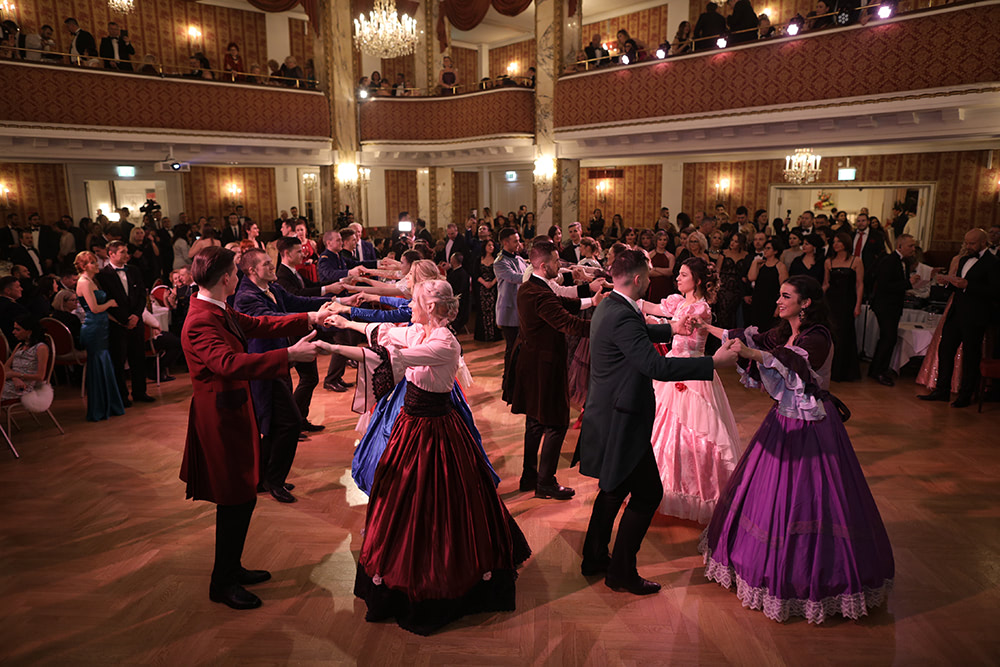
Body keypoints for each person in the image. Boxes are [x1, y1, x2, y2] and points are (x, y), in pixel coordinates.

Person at [322, 281, 531, 635]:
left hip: (437, 430)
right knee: (400, 498)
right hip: (410, 424)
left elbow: (390, 354)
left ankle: (439, 580)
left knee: (441, 503)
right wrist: (346, 323)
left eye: (415, 302)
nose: (410, 307)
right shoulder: (421, 331)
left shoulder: (443, 344)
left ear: (431, 308)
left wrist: (329, 347)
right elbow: (386, 330)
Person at [697, 275, 894, 624]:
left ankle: (810, 577)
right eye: (779, 295)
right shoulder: (782, 330)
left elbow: (788, 363)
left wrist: (750, 352)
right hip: (783, 422)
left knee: (812, 497)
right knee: (767, 495)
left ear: (806, 303)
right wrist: (707, 326)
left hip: (813, 429)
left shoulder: (817, 337)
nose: (778, 300)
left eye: (786, 296)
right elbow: (748, 338)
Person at [576, 250, 739, 595]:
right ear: (637, 279)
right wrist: (712, 363)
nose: (651, 282)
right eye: (648, 277)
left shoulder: (612, 305)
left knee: (613, 488)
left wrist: (671, 327)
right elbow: (657, 368)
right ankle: (620, 571)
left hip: (610, 413)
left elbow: (634, 336)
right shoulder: (624, 314)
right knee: (649, 493)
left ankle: (594, 557)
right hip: (624, 419)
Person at [179, 246, 324, 610]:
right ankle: (221, 582)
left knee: (242, 496)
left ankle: (231, 568)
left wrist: (310, 317)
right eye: (236, 274)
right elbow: (228, 363)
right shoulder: (200, 320)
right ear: (228, 277)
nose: (239, 278)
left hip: (233, 412)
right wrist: (289, 356)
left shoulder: (218, 308)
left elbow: (260, 325)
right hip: (220, 420)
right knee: (234, 498)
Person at [639, 258, 742, 522]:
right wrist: (632, 302)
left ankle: (696, 490)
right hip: (672, 366)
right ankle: (662, 487)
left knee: (698, 432)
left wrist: (658, 318)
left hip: (693, 371)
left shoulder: (701, 308)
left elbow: (684, 324)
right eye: (679, 274)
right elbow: (654, 307)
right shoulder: (676, 300)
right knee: (661, 427)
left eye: (684, 275)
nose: (678, 279)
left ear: (696, 280)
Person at [234, 249, 334, 502]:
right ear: (252, 270)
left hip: (280, 361)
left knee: (278, 424)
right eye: (267, 264)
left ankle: (264, 479)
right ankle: (273, 480)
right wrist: (313, 317)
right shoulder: (246, 296)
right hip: (263, 367)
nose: (272, 267)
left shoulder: (272, 288)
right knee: (286, 423)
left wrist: (331, 302)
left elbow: (295, 302)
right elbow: (273, 319)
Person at [508, 241, 594, 500]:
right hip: (544, 366)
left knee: (534, 421)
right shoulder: (538, 293)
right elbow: (569, 323)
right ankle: (545, 482)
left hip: (531, 363)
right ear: (544, 265)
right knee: (556, 423)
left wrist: (593, 299)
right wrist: (609, 325)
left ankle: (529, 476)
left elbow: (561, 304)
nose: (561, 266)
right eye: (557, 262)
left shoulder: (531, 287)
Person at [920, 228, 1000, 407]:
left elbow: (995, 291)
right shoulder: (964, 259)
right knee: (945, 350)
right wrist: (948, 283)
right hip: (956, 313)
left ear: (982, 243)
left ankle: (966, 395)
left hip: (976, 316)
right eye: (966, 242)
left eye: (972, 243)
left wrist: (968, 285)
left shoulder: (993, 262)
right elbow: (958, 285)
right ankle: (942, 390)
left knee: (971, 356)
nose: (968, 246)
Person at [97, 240, 153, 406]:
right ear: (111, 254)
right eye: (122, 252)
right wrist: (124, 320)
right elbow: (107, 300)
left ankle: (140, 392)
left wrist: (136, 316)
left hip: (136, 322)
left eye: (126, 251)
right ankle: (121, 396)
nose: (126, 255)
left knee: (138, 358)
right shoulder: (103, 275)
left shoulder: (134, 270)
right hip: (117, 324)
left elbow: (142, 295)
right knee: (118, 361)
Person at [74, 252, 125, 421]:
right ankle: (100, 407)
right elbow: (94, 309)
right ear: (83, 266)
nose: (97, 265)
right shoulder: (83, 282)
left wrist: (116, 320)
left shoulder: (91, 281)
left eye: (96, 262)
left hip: (100, 327)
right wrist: (110, 303)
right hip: (93, 329)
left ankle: (107, 405)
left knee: (103, 362)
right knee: (98, 364)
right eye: (92, 263)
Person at [868, 234, 918, 387]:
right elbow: (884, 285)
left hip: (893, 305)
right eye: (910, 246)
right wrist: (908, 283)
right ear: (900, 246)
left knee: (888, 338)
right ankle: (879, 371)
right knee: (889, 338)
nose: (913, 249)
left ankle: (876, 369)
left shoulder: (905, 262)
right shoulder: (889, 261)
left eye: (914, 246)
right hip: (885, 306)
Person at [823, 232, 863, 382]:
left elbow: (859, 284)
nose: (835, 244)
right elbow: (826, 284)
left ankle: (845, 372)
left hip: (847, 302)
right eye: (834, 242)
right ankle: (830, 371)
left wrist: (858, 305)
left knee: (845, 335)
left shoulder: (856, 261)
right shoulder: (829, 262)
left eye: (839, 241)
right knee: (831, 335)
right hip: (831, 302)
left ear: (846, 243)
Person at [495, 229, 526, 394]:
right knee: (511, 349)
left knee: (519, 349)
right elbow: (515, 277)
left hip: (520, 310)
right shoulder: (499, 262)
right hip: (508, 312)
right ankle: (508, 384)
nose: (519, 243)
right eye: (515, 241)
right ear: (505, 242)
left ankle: (517, 382)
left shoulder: (520, 259)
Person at [2, 315, 51, 402]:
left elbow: (40, 377)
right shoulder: (20, 346)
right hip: (13, 382)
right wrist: (15, 378)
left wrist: (16, 375)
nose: (13, 332)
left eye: (18, 329)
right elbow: (5, 367)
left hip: (24, 387)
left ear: (29, 332)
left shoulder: (41, 348)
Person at [746, 239, 788, 330]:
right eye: (765, 248)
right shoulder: (761, 264)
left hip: (771, 301)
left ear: (775, 251)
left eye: (768, 248)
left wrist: (778, 307)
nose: (765, 250)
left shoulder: (780, 266)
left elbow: (784, 288)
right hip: (758, 300)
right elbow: (751, 277)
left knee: (768, 328)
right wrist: (755, 262)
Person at [473, 239, 502, 342]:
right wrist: (485, 283)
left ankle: (494, 335)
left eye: (492, 245)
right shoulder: (479, 259)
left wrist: (491, 283)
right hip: (482, 288)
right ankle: (483, 335)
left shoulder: (497, 260)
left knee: (493, 309)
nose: (491, 247)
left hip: (493, 288)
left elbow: (499, 273)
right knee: (482, 310)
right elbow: (475, 273)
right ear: (484, 247)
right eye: (489, 245)